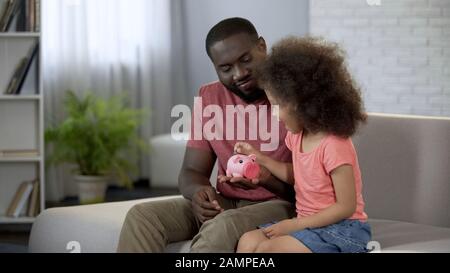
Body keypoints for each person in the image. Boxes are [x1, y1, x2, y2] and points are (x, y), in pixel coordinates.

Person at [117, 17, 296, 253]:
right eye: (226, 68)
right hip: (228, 202)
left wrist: (266, 179)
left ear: (262, 46)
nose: (239, 73)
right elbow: (191, 172)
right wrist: (198, 194)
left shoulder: (294, 94)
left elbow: (311, 187)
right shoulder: (210, 96)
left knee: (222, 226)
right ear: (215, 67)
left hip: (281, 205)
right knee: (142, 217)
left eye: (246, 60)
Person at [235, 37, 372, 253]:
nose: (275, 114)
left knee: (268, 250)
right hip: (308, 224)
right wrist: (260, 158)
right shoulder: (297, 136)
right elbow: (300, 176)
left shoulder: (334, 144)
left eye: (278, 106)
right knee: (248, 241)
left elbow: (346, 206)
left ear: (305, 103)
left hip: (344, 229)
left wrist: (295, 225)